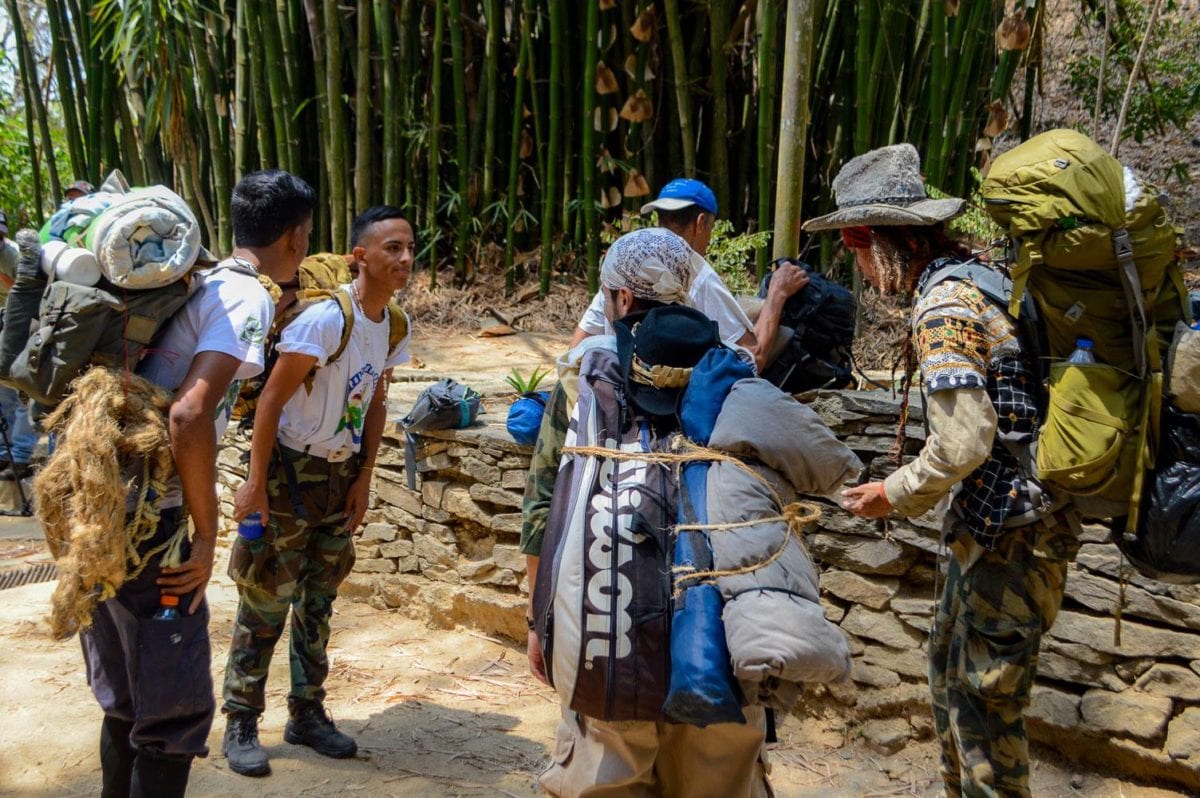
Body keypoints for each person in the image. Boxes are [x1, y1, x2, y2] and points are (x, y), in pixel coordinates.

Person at [810, 144, 1081, 798]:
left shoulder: (945, 306)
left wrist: (892, 493)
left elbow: (964, 442)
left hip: (1015, 533)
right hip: (997, 526)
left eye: (852, 248)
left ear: (867, 239)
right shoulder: (977, 274)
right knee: (950, 680)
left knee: (986, 707)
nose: (858, 267)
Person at [79, 169, 315, 798]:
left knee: (127, 696)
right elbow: (189, 414)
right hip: (151, 518)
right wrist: (207, 535)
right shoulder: (246, 296)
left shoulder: (197, 279)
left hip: (101, 497)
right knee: (174, 711)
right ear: (296, 237)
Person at [524, 228, 772, 797]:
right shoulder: (736, 375)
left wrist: (540, 621)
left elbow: (543, 508)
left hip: (607, 625)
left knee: (605, 775)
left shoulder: (582, 380)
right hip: (717, 637)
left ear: (624, 300)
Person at [222, 205, 413, 777]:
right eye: (391, 249)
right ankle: (240, 718)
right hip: (289, 471)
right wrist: (254, 483)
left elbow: (376, 402)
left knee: (318, 600)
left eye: (409, 248)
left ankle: (307, 712)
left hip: (339, 473)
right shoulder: (324, 321)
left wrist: (364, 476)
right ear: (360, 257)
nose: (404, 259)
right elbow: (271, 403)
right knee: (264, 598)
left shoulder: (394, 324)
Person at [570, 178, 809, 372]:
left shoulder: (623, 263)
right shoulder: (698, 276)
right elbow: (751, 359)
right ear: (701, 223)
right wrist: (777, 295)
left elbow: (575, 352)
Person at [0, 210, 36, 482]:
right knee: (3, 394)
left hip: (20, 323)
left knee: (21, 390)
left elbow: (24, 291)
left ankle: (22, 455)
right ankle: (5, 453)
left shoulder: (13, 254)